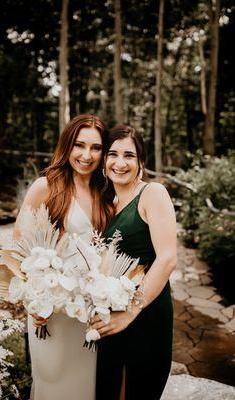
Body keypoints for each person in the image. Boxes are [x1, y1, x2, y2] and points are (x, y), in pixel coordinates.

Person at [13, 114, 113, 400]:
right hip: (51, 309)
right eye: (79, 145)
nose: (86, 155)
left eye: (95, 148)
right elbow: (18, 248)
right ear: (67, 145)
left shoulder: (105, 193)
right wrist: (33, 301)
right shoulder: (45, 187)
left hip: (89, 312)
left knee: (85, 385)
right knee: (53, 381)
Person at [91, 125, 177, 400]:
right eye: (112, 154)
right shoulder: (105, 200)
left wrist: (131, 310)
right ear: (104, 160)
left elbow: (167, 258)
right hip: (109, 315)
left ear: (141, 161)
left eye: (129, 155)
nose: (119, 162)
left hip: (145, 313)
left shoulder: (152, 193)